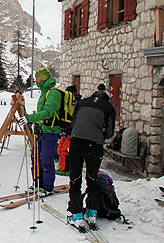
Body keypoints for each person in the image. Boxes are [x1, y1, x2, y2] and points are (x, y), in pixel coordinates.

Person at [67, 84, 116, 229]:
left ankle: (76, 214)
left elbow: (73, 123)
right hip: (94, 146)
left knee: (75, 179)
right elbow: (109, 132)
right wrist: (97, 134)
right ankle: (92, 212)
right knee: (92, 178)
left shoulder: (82, 103)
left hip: (76, 142)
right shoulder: (109, 108)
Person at [18, 67, 62, 195]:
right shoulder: (44, 92)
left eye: (38, 78)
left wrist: (30, 118)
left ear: (44, 78)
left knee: (46, 159)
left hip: (51, 131)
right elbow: (42, 113)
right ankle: (37, 183)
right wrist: (35, 122)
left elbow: (47, 113)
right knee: (35, 158)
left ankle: (47, 186)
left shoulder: (53, 93)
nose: (36, 81)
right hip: (41, 131)